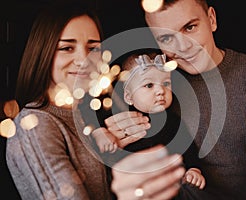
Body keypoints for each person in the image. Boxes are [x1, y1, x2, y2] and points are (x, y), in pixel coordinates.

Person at [105, 0, 246, 199]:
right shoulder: (151, 82)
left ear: (211, 19)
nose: (183, 46)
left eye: (190, 27)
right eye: (167, 38)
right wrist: (110, 141)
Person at [5, 1, 185, 200]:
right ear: (43, 52)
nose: (84, 59)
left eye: (93, 48)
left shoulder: (88, 117)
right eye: (66, 48)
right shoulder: (35, 126)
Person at [95, 50, 206, 189]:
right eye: (149, 85)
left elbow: (187, 148)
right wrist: (100, 133)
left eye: (166, 84)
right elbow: (98, 116)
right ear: (128, 97)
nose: (161, 91)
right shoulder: (119, 116)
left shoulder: (173, 122)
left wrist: (193, 169)